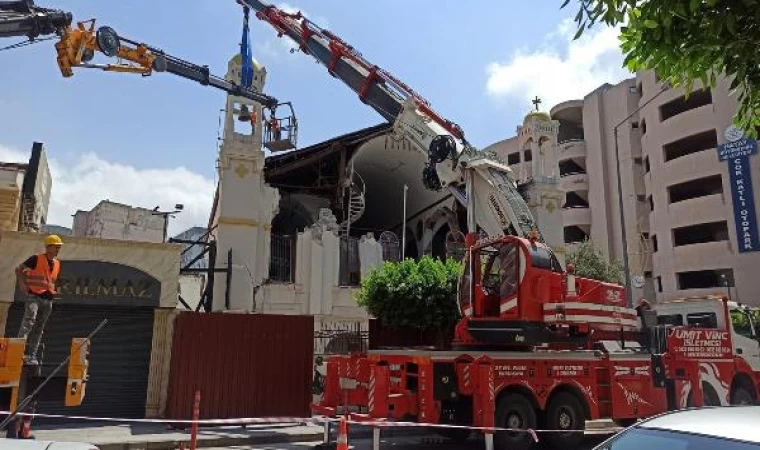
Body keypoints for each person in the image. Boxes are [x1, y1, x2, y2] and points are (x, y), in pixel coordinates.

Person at [15, 234, 63, 365]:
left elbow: (51, 279)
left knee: (39, 328)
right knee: (28, 322)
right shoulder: (35, 259)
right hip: (34, 297)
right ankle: (17, 352)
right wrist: (22, 284)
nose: (58, 249)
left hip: (48, 299)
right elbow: (19, 269)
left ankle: (32, 356)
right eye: (56, 247)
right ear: (48, 247)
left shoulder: (57, 263)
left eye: (59, 247)